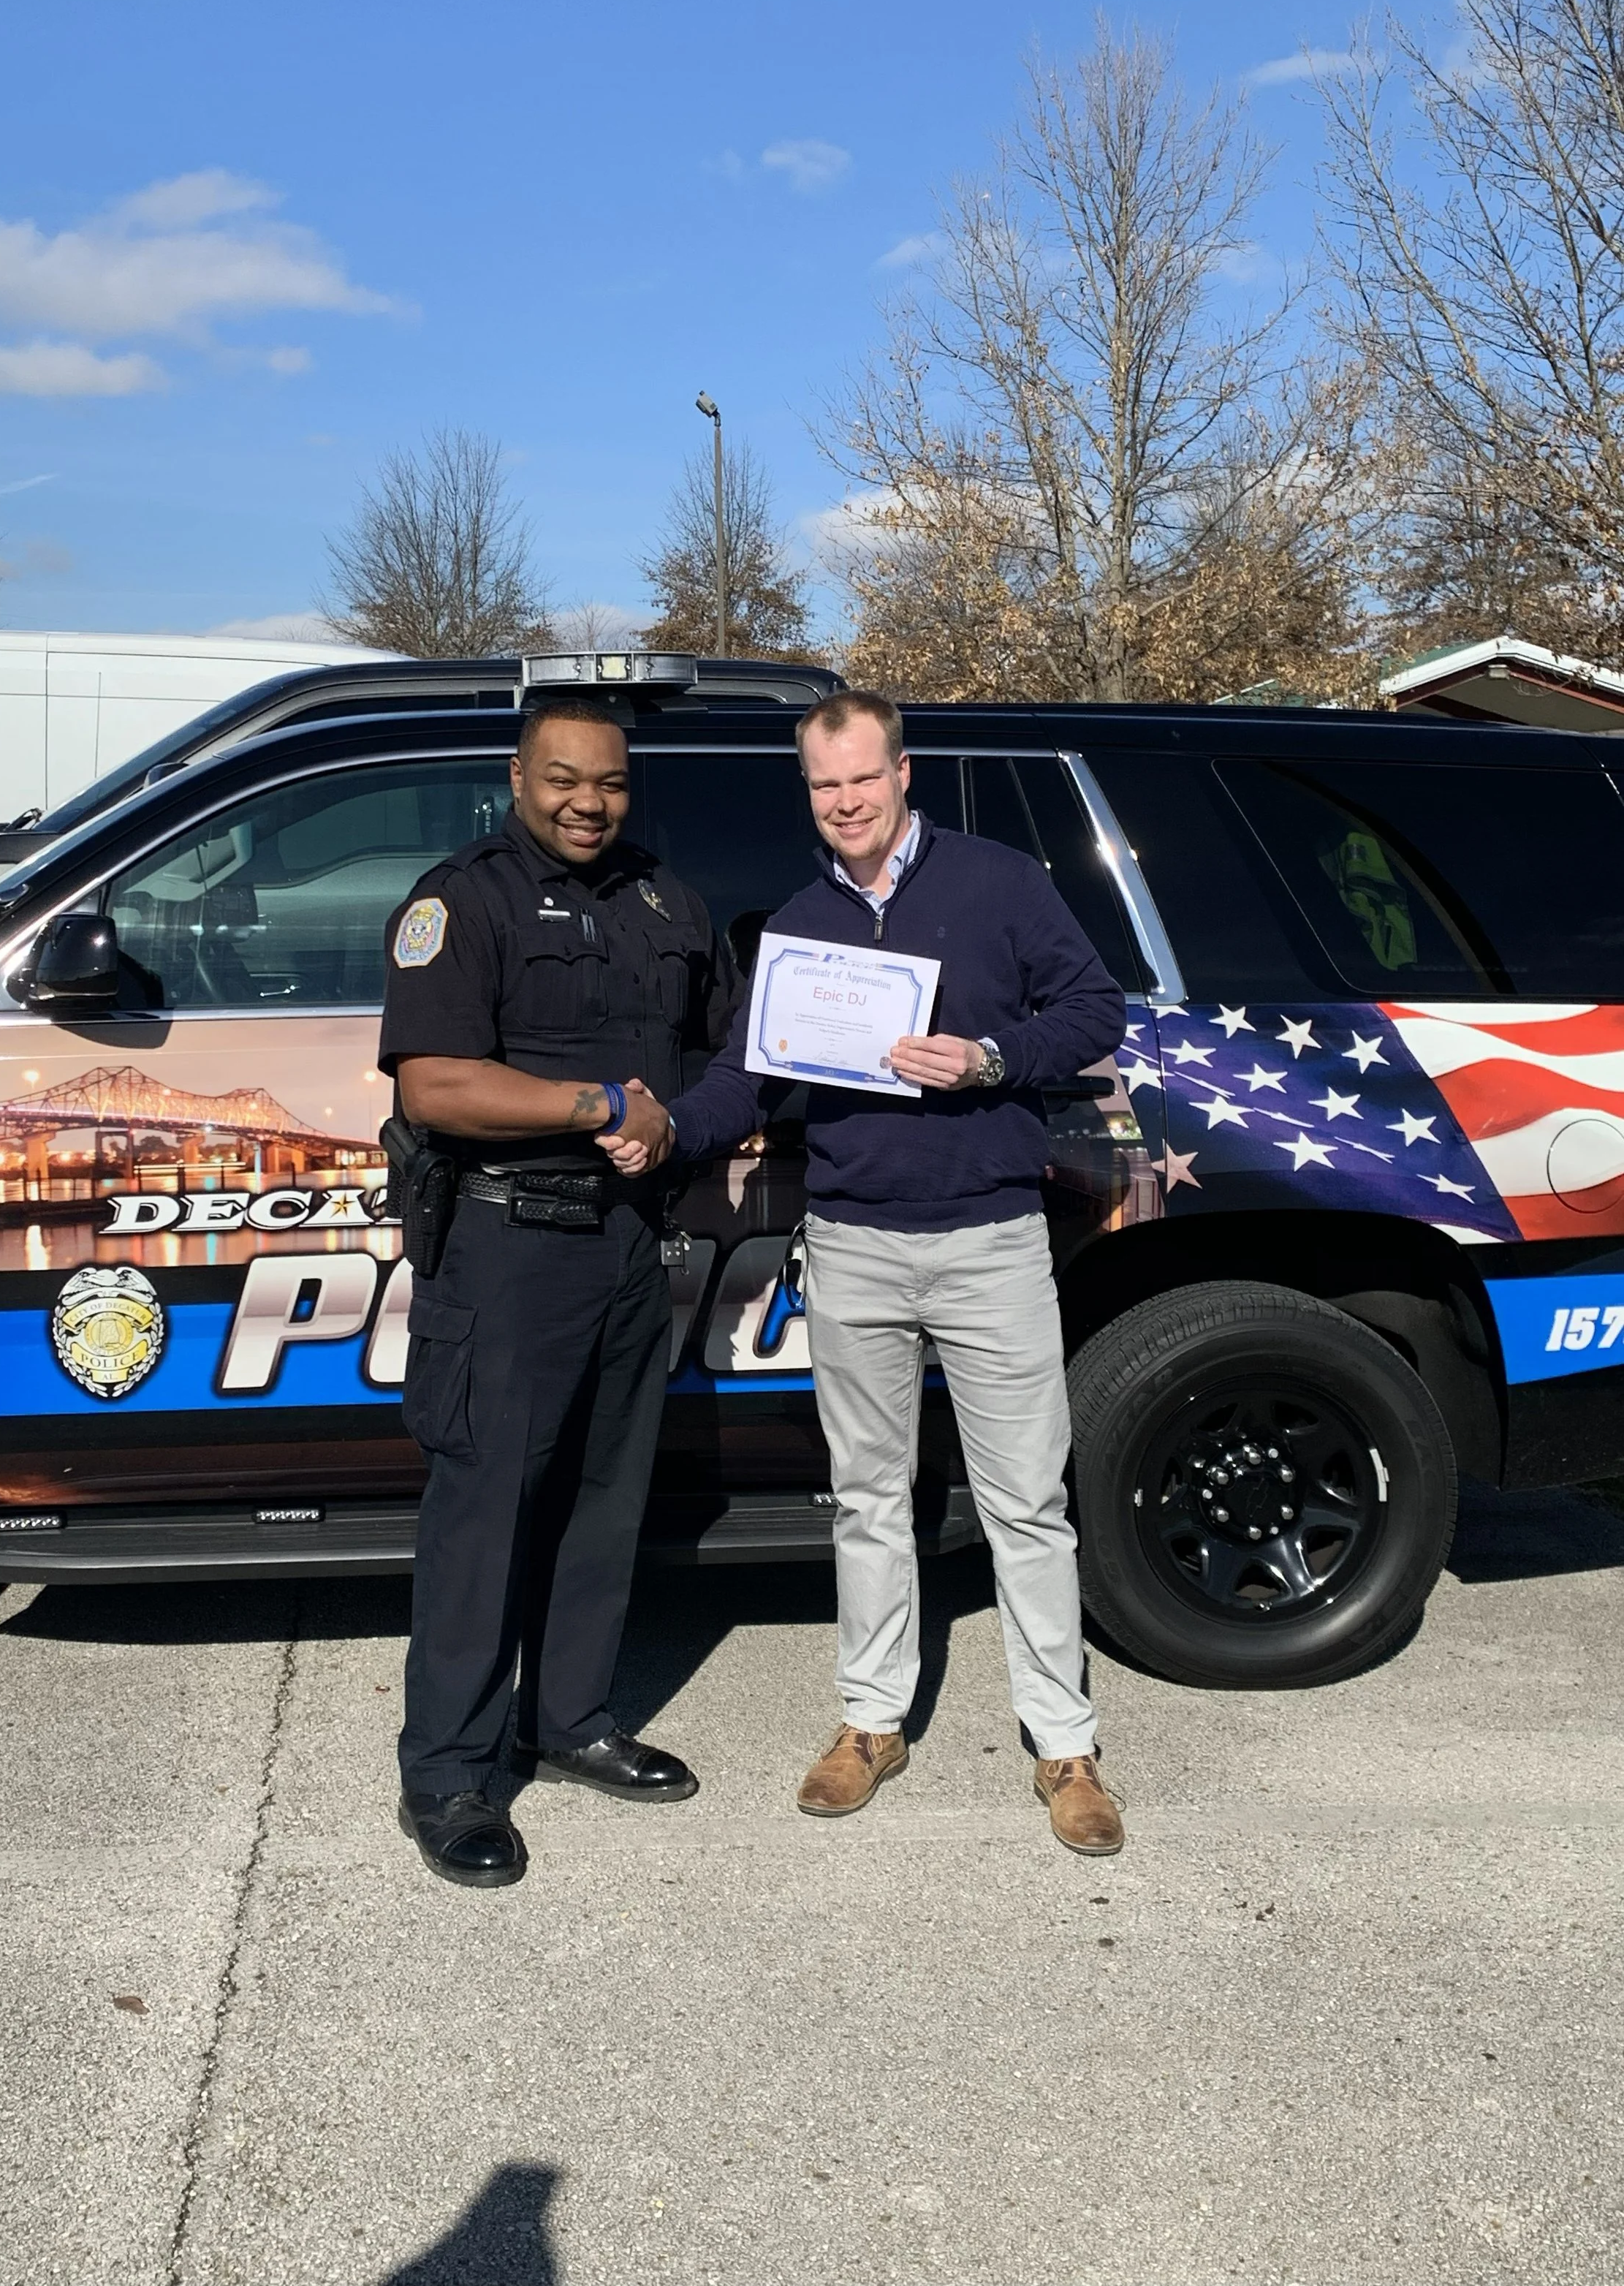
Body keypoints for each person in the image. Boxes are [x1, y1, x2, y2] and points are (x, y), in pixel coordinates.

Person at [604, 689, 1131, 1855]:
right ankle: (871, 1722)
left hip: (989, 1238)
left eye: (862, 779)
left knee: (1027, 1505)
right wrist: (666, 1131)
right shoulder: (798, 924)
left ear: (903, 775)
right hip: (852, 1241)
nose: (845, 803)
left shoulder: (998, 883)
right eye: (823, 786)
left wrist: (991, 1058)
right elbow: (750, 1078)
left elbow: (1099, 1011)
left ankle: (1065, 1745)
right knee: (868, 1497)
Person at [379, 694, 734, 1888]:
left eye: (613, 783)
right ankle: (450, 1773)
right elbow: (436, 1086)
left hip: (631, 1243)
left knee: (603, 1499)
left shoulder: (664, 900)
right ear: (518, 777)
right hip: (510, 1245)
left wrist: (682, 1118)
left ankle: (571, 1719)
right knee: (485, 1517)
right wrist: (601, 1109)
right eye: (565, 779)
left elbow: (728, 1048)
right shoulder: (460, 898)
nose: (590, 802)